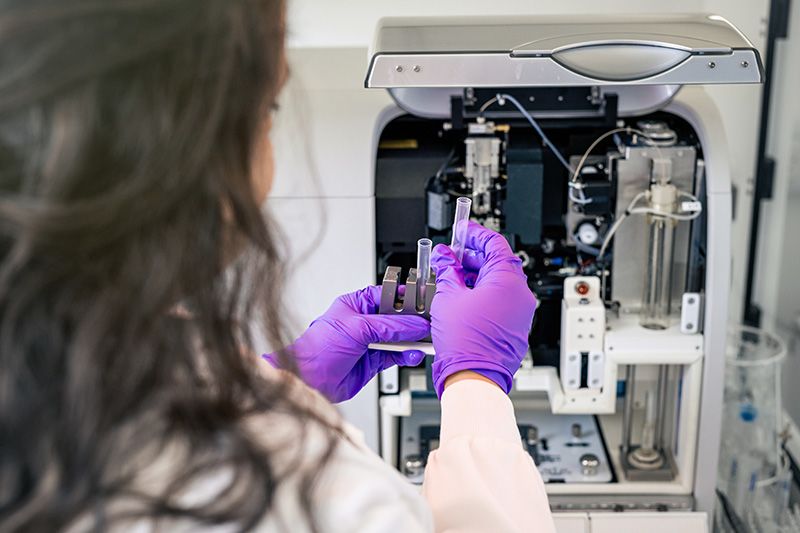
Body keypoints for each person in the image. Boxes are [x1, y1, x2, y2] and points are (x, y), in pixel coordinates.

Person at [0, 1, 555, 532]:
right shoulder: (303, 492)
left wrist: (280, 380)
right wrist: (476, 382)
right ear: (181, 158)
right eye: (268, 112)